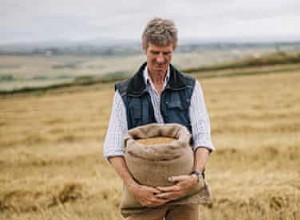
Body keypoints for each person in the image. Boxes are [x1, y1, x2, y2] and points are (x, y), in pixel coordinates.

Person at [103, 17, 214, 220]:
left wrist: (195, 178)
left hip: (184, 192)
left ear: (173, 50)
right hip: (143, 196)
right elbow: (112, 148)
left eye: (166, 53)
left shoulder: (191, 87)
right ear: (145, 48)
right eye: (155, 52)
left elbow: (203, 137)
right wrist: (134, 188)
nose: (161, 59)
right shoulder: (124, 93)